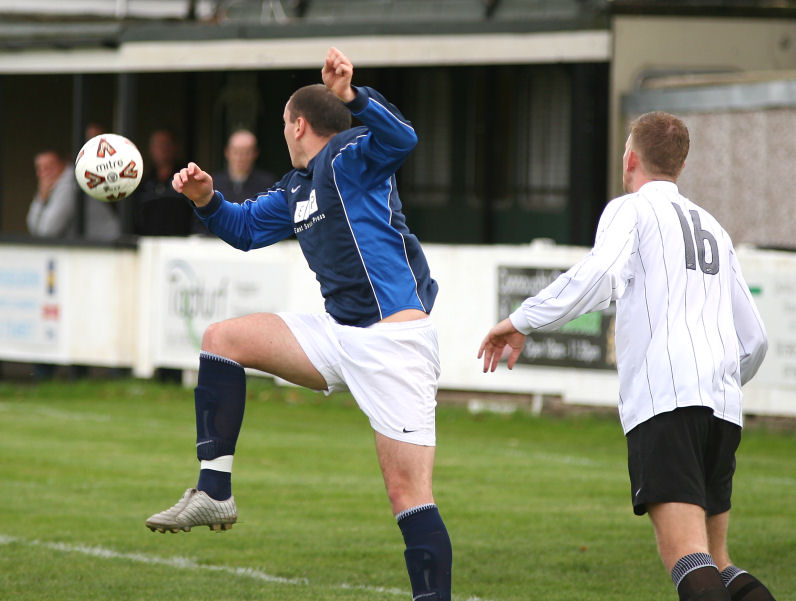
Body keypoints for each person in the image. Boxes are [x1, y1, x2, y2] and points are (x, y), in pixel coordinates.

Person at [145, 47, 452, 601]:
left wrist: (352, 95)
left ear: (299, 123)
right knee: (222, 340)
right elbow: (241, 230)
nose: (282, 133)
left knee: (409, 495)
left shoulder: (351, 154)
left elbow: (403, 138)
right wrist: (207, 198)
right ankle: (215, 489)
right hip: (339, 334)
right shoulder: (296, 187)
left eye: (284, 123)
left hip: (394, 343)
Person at [478, 112, 774, 601]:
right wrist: (717, 380)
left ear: (630, 158)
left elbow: (598, 278)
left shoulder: (630, 210)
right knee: (722, 563)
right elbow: (756, 338)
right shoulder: (714, 228)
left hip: (668, 403)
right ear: (681, 164)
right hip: (723, 406)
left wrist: (521, 319)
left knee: (686, 558)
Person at [130, 128, 194, 235]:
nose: (163, 149)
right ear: (151, 150)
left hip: (181, 246)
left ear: (175, 147)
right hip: (146, 247)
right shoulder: (142, 185)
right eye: (158, 145)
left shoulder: (187, 180)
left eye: (166, 144)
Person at [213, 129, 275, 203]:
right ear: (227, 152)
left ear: (255, 153)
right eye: (236, 152)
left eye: (246, 153)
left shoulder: (268, 184)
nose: (240, 158)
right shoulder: (214, 184)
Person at [27, 150, 78, 238]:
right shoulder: (48, 189)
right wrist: (41, 199)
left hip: (103, 244)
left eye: (49, 167)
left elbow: (48, 232)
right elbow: (32, 227)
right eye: (39, 168)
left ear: (63, 165)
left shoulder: (71, 184)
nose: (44, 174)